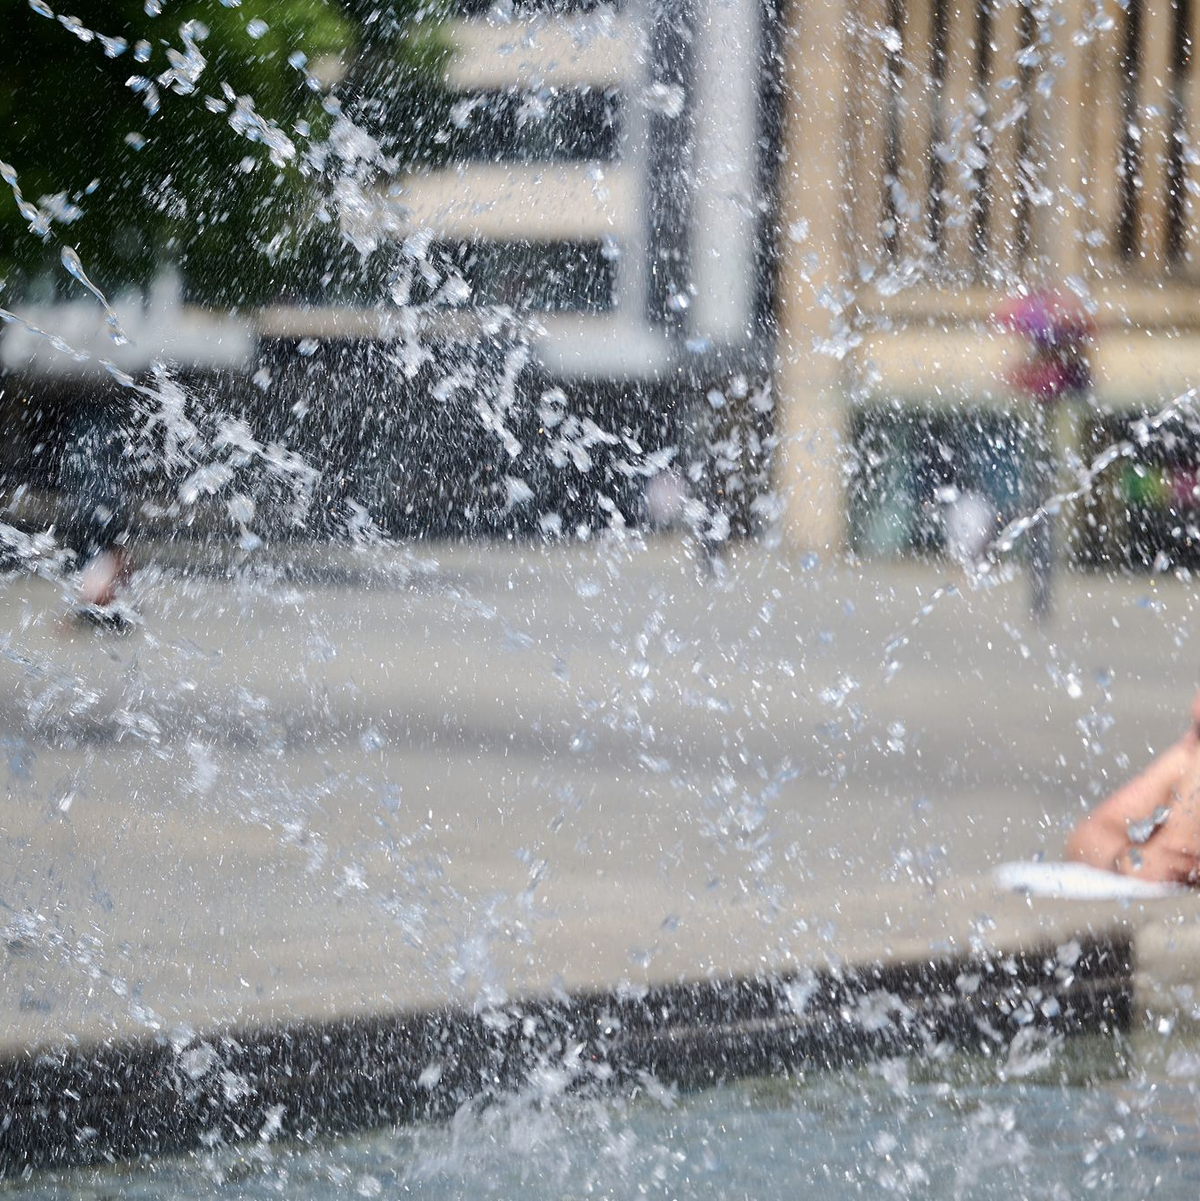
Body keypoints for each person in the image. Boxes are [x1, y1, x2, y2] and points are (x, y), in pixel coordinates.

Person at [1065, 689, 1200, 883]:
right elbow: (1089, 835)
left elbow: (1178, 853)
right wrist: (1128, 861)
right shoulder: (1184, 761)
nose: (1187, 738)